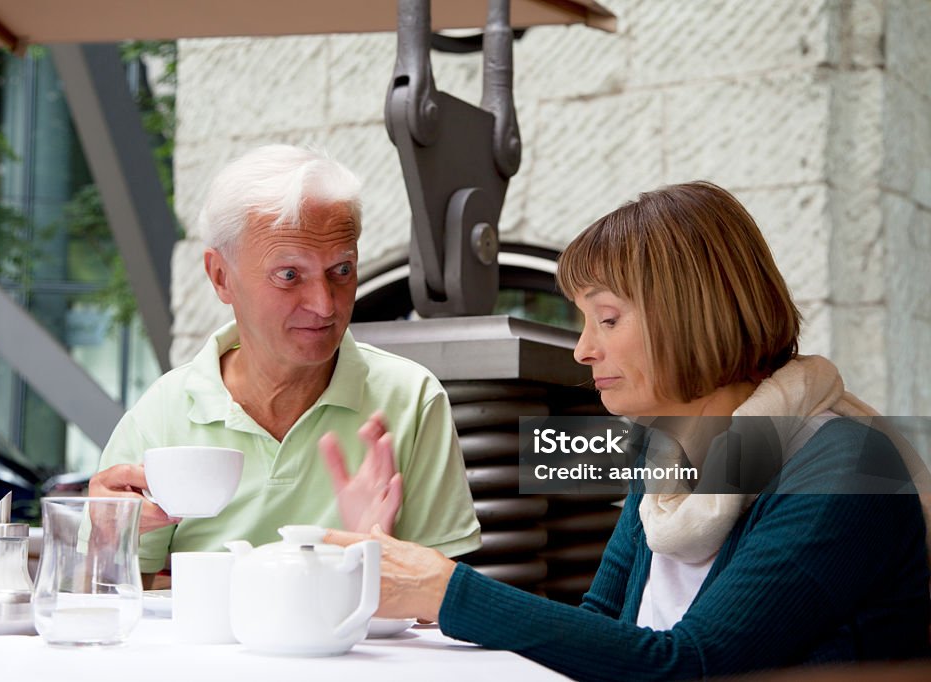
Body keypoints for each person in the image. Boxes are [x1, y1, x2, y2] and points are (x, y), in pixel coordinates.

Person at [328, 181, 931, 679]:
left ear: (694, 314)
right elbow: (603, 632)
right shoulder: (667, 457)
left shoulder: (845, 468)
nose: (584, 351)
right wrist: (420, 593)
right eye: (584, 322)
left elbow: (695, 666)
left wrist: (447, 591)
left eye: (608, 319)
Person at [91, 145, 480, 585]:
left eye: (342, 270)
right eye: (290, 275)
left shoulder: (412, 399)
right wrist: (106, 540)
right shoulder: (163, 412)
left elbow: (444, 607)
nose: (324, 304)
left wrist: (377, 555)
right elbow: (112, 594)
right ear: (221, 277)